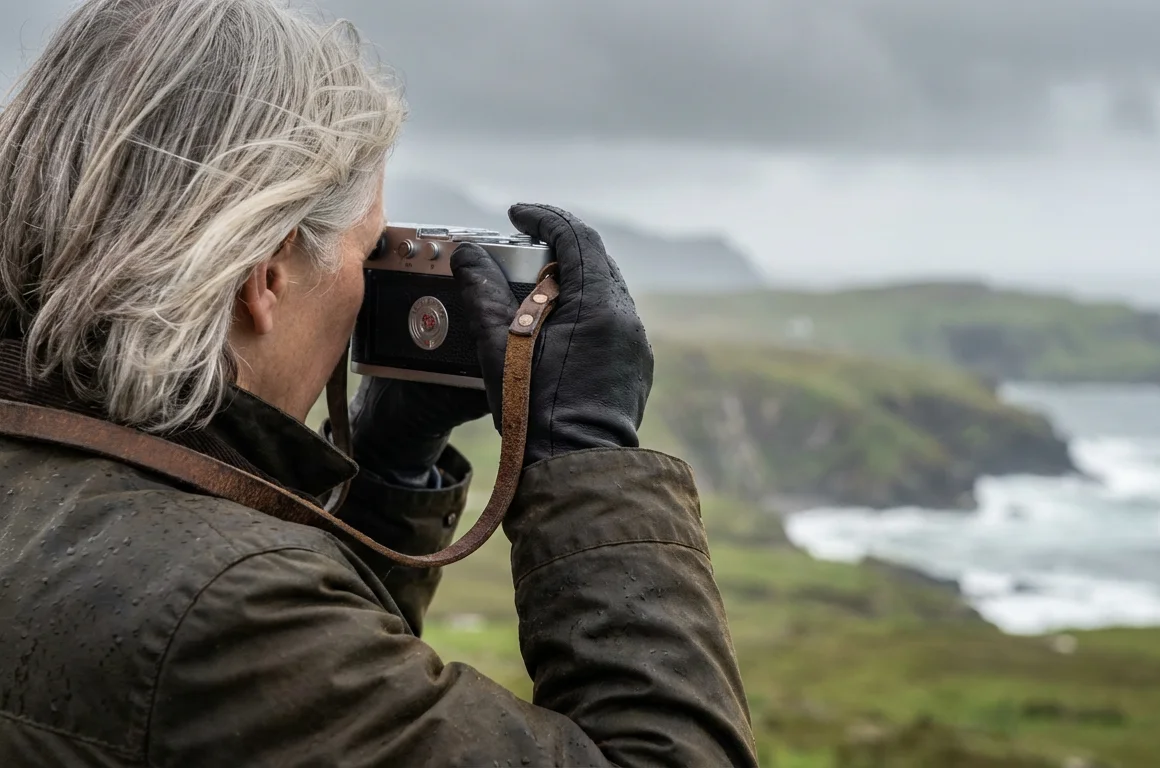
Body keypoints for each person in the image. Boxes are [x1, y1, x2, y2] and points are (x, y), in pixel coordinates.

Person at [0, 1, 756, 766]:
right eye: (367, 256)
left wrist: (386, 478)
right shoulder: (229, 608)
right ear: (266, 275)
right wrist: (587, 452)